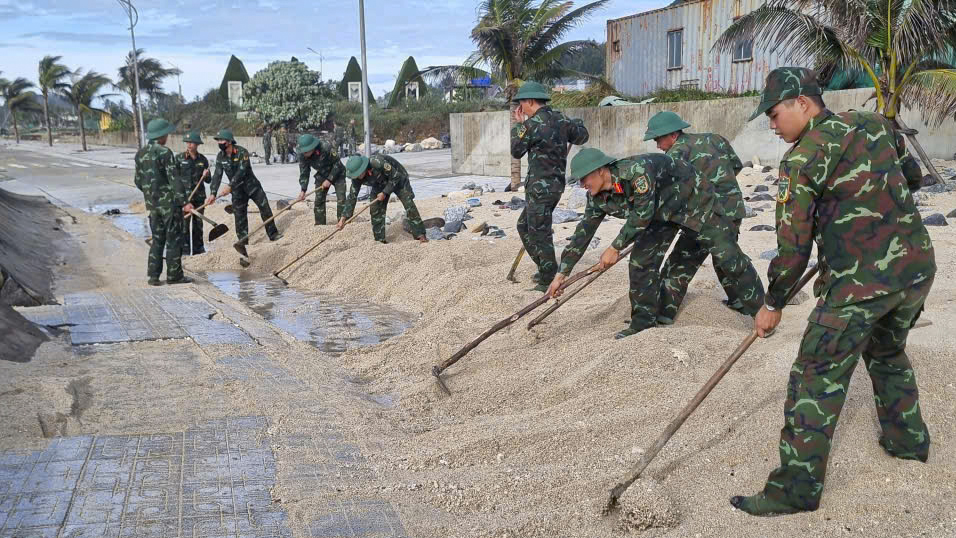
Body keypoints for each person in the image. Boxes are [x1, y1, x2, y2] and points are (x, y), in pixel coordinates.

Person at [731, 67, 935, 516]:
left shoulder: (802, 160)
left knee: (815, 378)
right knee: (886, 353)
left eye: (774, 112)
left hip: (861, 287)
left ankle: (794, 492)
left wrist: (772, 304)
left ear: (803, 103)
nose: (771, 123)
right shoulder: (874, 123)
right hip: (916, 271)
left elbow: (792, 251)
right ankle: (909, 444)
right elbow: (913, 179)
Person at [547, 148, 764, 339]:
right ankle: (643, 323)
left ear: (601, 170)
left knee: (728, 256)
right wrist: (561, 274)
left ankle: (763, 313)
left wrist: (615, 247)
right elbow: (583, 233)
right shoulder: (596, 197)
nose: (583, 185)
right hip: (660, 212)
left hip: (694, 201)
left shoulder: (636, 172)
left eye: (585, 178)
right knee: (641, 262)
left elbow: (641, 214)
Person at [644, 110, 749, 321]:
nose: (657, 145)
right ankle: (744, 305)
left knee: (681, 262)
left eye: (658, 139)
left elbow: (671, 192)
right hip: (732, 209)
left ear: (673, 135)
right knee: (726, 257)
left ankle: (663, 312)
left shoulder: (674, 155)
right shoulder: (715, 138)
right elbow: (735, 166)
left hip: (704, 217)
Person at [510, 81, 590, 292]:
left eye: (522, 105)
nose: (521, 109)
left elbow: (516, 151)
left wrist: (519, 125)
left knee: (539, 233)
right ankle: (546, 268)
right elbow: (582, 135)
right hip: (555, 186)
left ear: (530, 101)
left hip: (539, 188)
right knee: (525, 226)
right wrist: (577, 123)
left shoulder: (531, 125)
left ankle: (547, 278)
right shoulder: (561, 119)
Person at [134, 118, 193, 285]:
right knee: (174, 240)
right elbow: (174, 180)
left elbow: (138, 181)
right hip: (169, 206)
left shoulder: (140, 154)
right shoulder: (165, 153)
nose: (167, 136)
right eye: (166, 133)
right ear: (160, 135)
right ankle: (174, 276)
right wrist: (184, 202)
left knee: (157, 240)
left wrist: (152, 195)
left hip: (153, 206)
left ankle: (153, 276)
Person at [206, 128, 282, 245]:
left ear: (229, 141)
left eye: (222, 140)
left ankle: (273, 234)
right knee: (239, 217)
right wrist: (212, 193)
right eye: (218, 140)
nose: (219, 143)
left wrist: (230, 185)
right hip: (238, 192)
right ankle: (243, 243)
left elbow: (242, 171)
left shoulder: (242, 152)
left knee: (265, 209)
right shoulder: (220, 157)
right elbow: (217, 175)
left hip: (253, 188)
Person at [339, 154, 427, 243]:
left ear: (363, 168)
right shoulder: (356, 178)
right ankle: (380, 240)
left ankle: (420, 235)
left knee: (409, 205)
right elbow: (352, 196)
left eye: (357, 174)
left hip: (398, 178)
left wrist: (385, 192)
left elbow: (396, 176)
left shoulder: (377, 163)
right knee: (375, 209)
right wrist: (344, 217)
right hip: (379, 183)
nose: (356, 177)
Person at [295, 134, 347, 225]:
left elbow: (337, 163)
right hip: (322, 174)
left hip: (337, 172)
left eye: (306, 152)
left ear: (312, 148)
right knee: (319, 199)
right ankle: (320, 224)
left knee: (341, 199)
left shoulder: (325, 147)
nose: (304, 154)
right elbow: (304, 172)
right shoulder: (302, 154)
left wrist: (330, 180)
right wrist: (303, 190)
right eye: (303, 152)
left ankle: (342, 222)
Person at [178, 130, 210, 255]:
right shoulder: (179, 158)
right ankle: (185, 252)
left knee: (198, 225)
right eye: (188, 142)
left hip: (199, 197)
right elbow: (174, 178)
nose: (189, 145)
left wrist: (206, 175)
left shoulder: (203, 160)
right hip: (185, 198)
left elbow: (208, 180)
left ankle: (198, 250)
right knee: (184, 225)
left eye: (192, 143)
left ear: (197, 144)